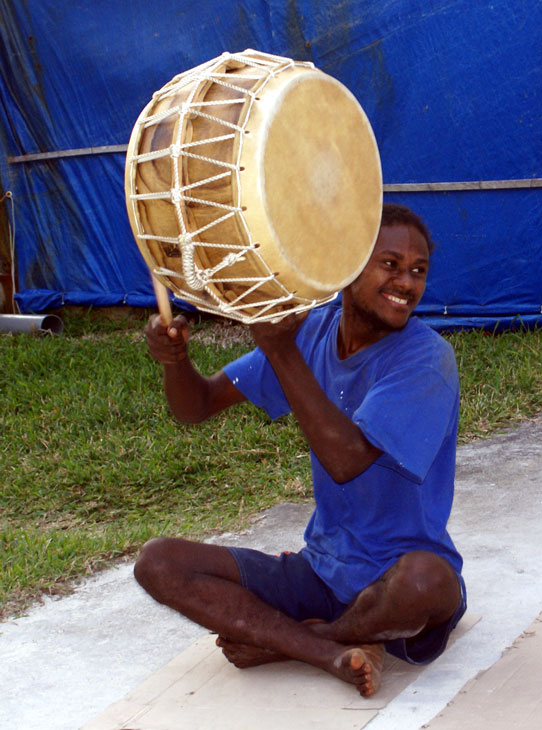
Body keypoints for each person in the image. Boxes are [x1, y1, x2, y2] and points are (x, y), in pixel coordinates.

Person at [134, 203, 466, 698]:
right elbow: (196, 405)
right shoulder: (312, 330)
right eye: (390, 264)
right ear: (346, 266)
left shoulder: (426, 357)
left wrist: (281, 350)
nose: (407, 283)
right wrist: (174, 360)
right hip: (321, 570)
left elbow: (347, 459)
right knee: (158, 562)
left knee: (427, 581)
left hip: (397, 581)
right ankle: (331, 651)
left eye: (418, 271)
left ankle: (301, 640)